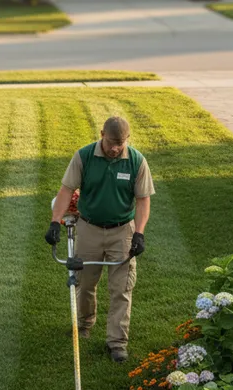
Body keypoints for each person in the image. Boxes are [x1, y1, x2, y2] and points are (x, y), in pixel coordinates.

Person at [46, 116, 154, 363]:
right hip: (89, 229)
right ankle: (83, 326)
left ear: (126, 139)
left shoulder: (136, 161)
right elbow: (66, 190)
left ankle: (117, 342)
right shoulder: (83, 156)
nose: (115, 148)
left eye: (121, 143)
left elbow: (143, 200)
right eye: (111, 142)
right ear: (101, 133)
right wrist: (55, 221)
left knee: (122, 289)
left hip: (122, 232)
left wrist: (139, 232)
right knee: (84, 283)